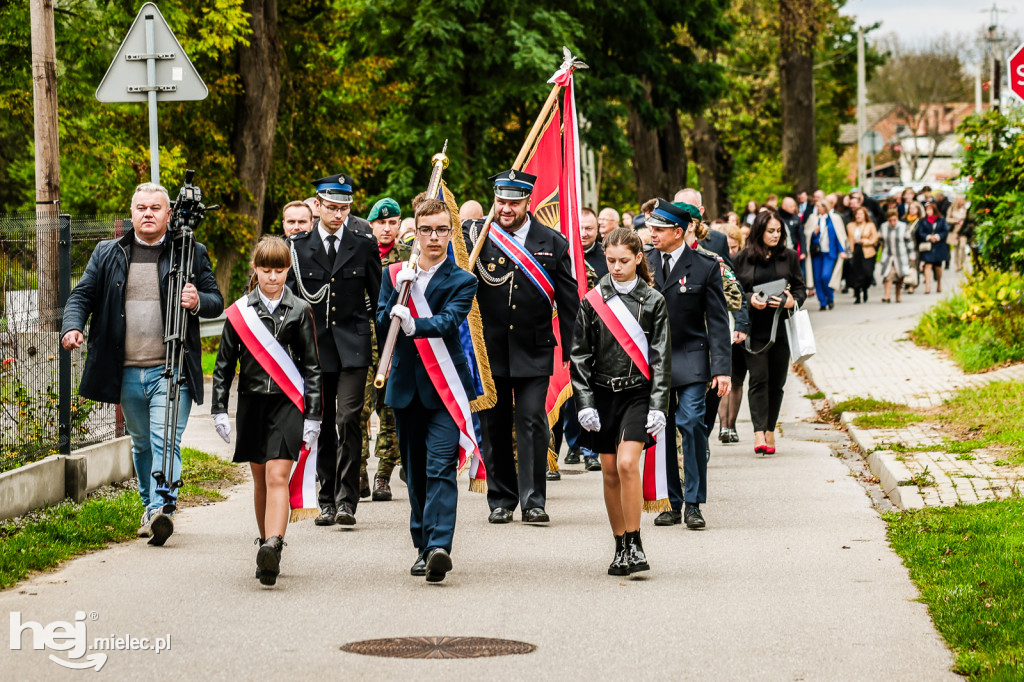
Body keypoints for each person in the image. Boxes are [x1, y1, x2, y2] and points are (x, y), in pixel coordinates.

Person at [60, 182, 224, 545]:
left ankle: (162, 508)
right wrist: (72, 326)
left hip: (172, 367)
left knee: (165, 439)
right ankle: (150, 506)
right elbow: (81, 295)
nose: (147, 213)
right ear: (131, 213)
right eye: (140, 208)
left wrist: (198, 299)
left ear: (169, 214)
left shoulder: (190, 252)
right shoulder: (108, 252)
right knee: (142, 443)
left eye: (155, 207)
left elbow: (217, 301)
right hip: (127, 371)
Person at [464, 169, 579, 524]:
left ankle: (533, 501)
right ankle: (500, 499)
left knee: (531, 421)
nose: (506, 209)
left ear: (528, 201)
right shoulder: (477, 237)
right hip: (490, 350)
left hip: (534, 347)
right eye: (501, 201)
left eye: (513, 202)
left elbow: (569, 300)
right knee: (493, 424)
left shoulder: (552, 241)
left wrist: (574, 351)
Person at [377, 198, 479, 583]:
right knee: (415, 471)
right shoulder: (395, 276)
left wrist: (414, 324)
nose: (434, 237)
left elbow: (450, 321)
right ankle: (421, 544)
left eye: (440, 230)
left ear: (450, 233)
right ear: (415, 233)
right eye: (426, 230)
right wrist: (393, 307)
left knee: (440, 468)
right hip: (405, 386)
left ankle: (439, 546)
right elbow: (379, 321)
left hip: (444, 388)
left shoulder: (462, 280)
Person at [211, 237, 321, 586]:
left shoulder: (301, 310)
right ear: (255, 270)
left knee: (277, 476)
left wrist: (314, 415)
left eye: (279, 270)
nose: (272, 277)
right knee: (259, 478)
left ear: (288, 271)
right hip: (252, 404)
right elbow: (224, 365)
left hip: (288, 405)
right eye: (266, 269)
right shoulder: (239, 312)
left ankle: (274, 544)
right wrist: (218, 410)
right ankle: (265, 546)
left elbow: (312, 368)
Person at [571, 228, 670, 575]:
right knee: (610, 471)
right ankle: (619, 546)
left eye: (623, 261)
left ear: (639, 258)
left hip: (637, 394)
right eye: (610, 260)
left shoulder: (654, 301)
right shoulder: (592, 300)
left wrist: (659, 404)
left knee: (628, 463)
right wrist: (583, 401)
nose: (615, 267)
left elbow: (660, 358)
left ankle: (635, 540)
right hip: (601, 394)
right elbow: (580, 356)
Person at [288, 173, 382, 528]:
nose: (338, 213)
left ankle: (347, 500)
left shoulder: (363, 243)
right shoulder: (297, 246)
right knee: (323, 423)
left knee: (349, 419)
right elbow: (290, 302)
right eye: (331, 207)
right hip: (315, 346)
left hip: (354, 345)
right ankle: (325, 499)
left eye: (344, 207)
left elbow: (378, 298)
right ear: (316, 205)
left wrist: (388, 345)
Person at [646, 199, 731, 530]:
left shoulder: (705, 265)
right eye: (651, 228)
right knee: (660, 428)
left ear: (678, 232)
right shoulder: (644, 262)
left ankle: (694, 503)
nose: (651, 234)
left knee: (693, 421)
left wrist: (722, 368)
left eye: (658, 229)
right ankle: (671, 500)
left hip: (693, 357)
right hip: (654, 360)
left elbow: (719, 321)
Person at [733, 211, 806, 455]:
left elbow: (800, 288)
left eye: (778, 231)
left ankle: (770, 430)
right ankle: (758, 433)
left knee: (777, 383)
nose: (775, 235)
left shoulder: (790, 257)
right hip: (753, 330)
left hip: (781, 328)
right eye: (770, 231)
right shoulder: (742, 258)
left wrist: (790, 301)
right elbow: (732, 293)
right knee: (758, 378)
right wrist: (749, 299)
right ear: (759, 232)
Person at [358, 198, 410, 501]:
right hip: (362, 341)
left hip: (395, 340)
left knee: (390, 411)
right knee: (357, 409)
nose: (387, 228)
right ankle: (359, 469)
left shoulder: (408, 256)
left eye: (393, 222)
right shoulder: (359, 252)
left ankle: (383, 476)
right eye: (381, 223)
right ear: (371, 224)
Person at [804, 200, 846, 310]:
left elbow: (839, 235)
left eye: (819, 206)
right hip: (817, 253)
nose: (817, 208)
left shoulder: (834, 219)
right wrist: (814, 233)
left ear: (825, 207)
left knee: (825, 276)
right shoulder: (813, 218)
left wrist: (842, 250)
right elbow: (807, 235)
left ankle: (830, 298)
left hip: (829, 253)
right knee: (817, 278)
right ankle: (822, 302)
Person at [879, 210, 914, 303]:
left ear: (897, 218)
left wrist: (911, 255)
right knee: (888, 275)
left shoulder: (903, 226)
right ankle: (887, 295)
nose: (892, 222)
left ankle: (898, 295)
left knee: (899, 276)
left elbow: (908, 241)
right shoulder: (883, 227)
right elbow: (879, 239)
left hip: (901, 255)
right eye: (890, 220)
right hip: (888, 255)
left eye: (894, 220)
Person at [846, 206, 878, 304]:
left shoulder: (870, 225)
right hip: (855, 251)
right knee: (855, 274)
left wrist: (864, 241)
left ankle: (865, 288)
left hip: (867, 251)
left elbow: (874, 238)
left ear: (865, 215)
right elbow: (847, 238)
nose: (858, 216)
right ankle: (857, 294)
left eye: (861, 214)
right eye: (857, 214)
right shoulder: (850, 225)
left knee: (867, 273)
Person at [917, 203, 948, 294]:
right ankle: (927, 286)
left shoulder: (941, 220)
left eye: (930, 210)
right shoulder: (923, 221)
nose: (928, 212)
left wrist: (938, 236)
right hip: (928, 246)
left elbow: (945, 231)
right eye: (927, 210)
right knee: (928, 265)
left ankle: (939, 283)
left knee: (938, 266)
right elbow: (920, 232)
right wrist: (928, 236)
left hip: (938, 245)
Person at [581, 206, 608, 279]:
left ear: (597, 229)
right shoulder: (563, 254)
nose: (583, 234)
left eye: (588, 228)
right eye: (579, 228)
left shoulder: (608, 255)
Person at [945, 195, 968, 272]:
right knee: (956, 248)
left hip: (963, 231)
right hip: (955, 231)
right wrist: (955, 220)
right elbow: (947, 219)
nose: (962, 202)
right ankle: (957, 264)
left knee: (962, 246)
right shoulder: (951, 209)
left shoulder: (966, 209)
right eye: (960, 200)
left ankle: (962, 262)